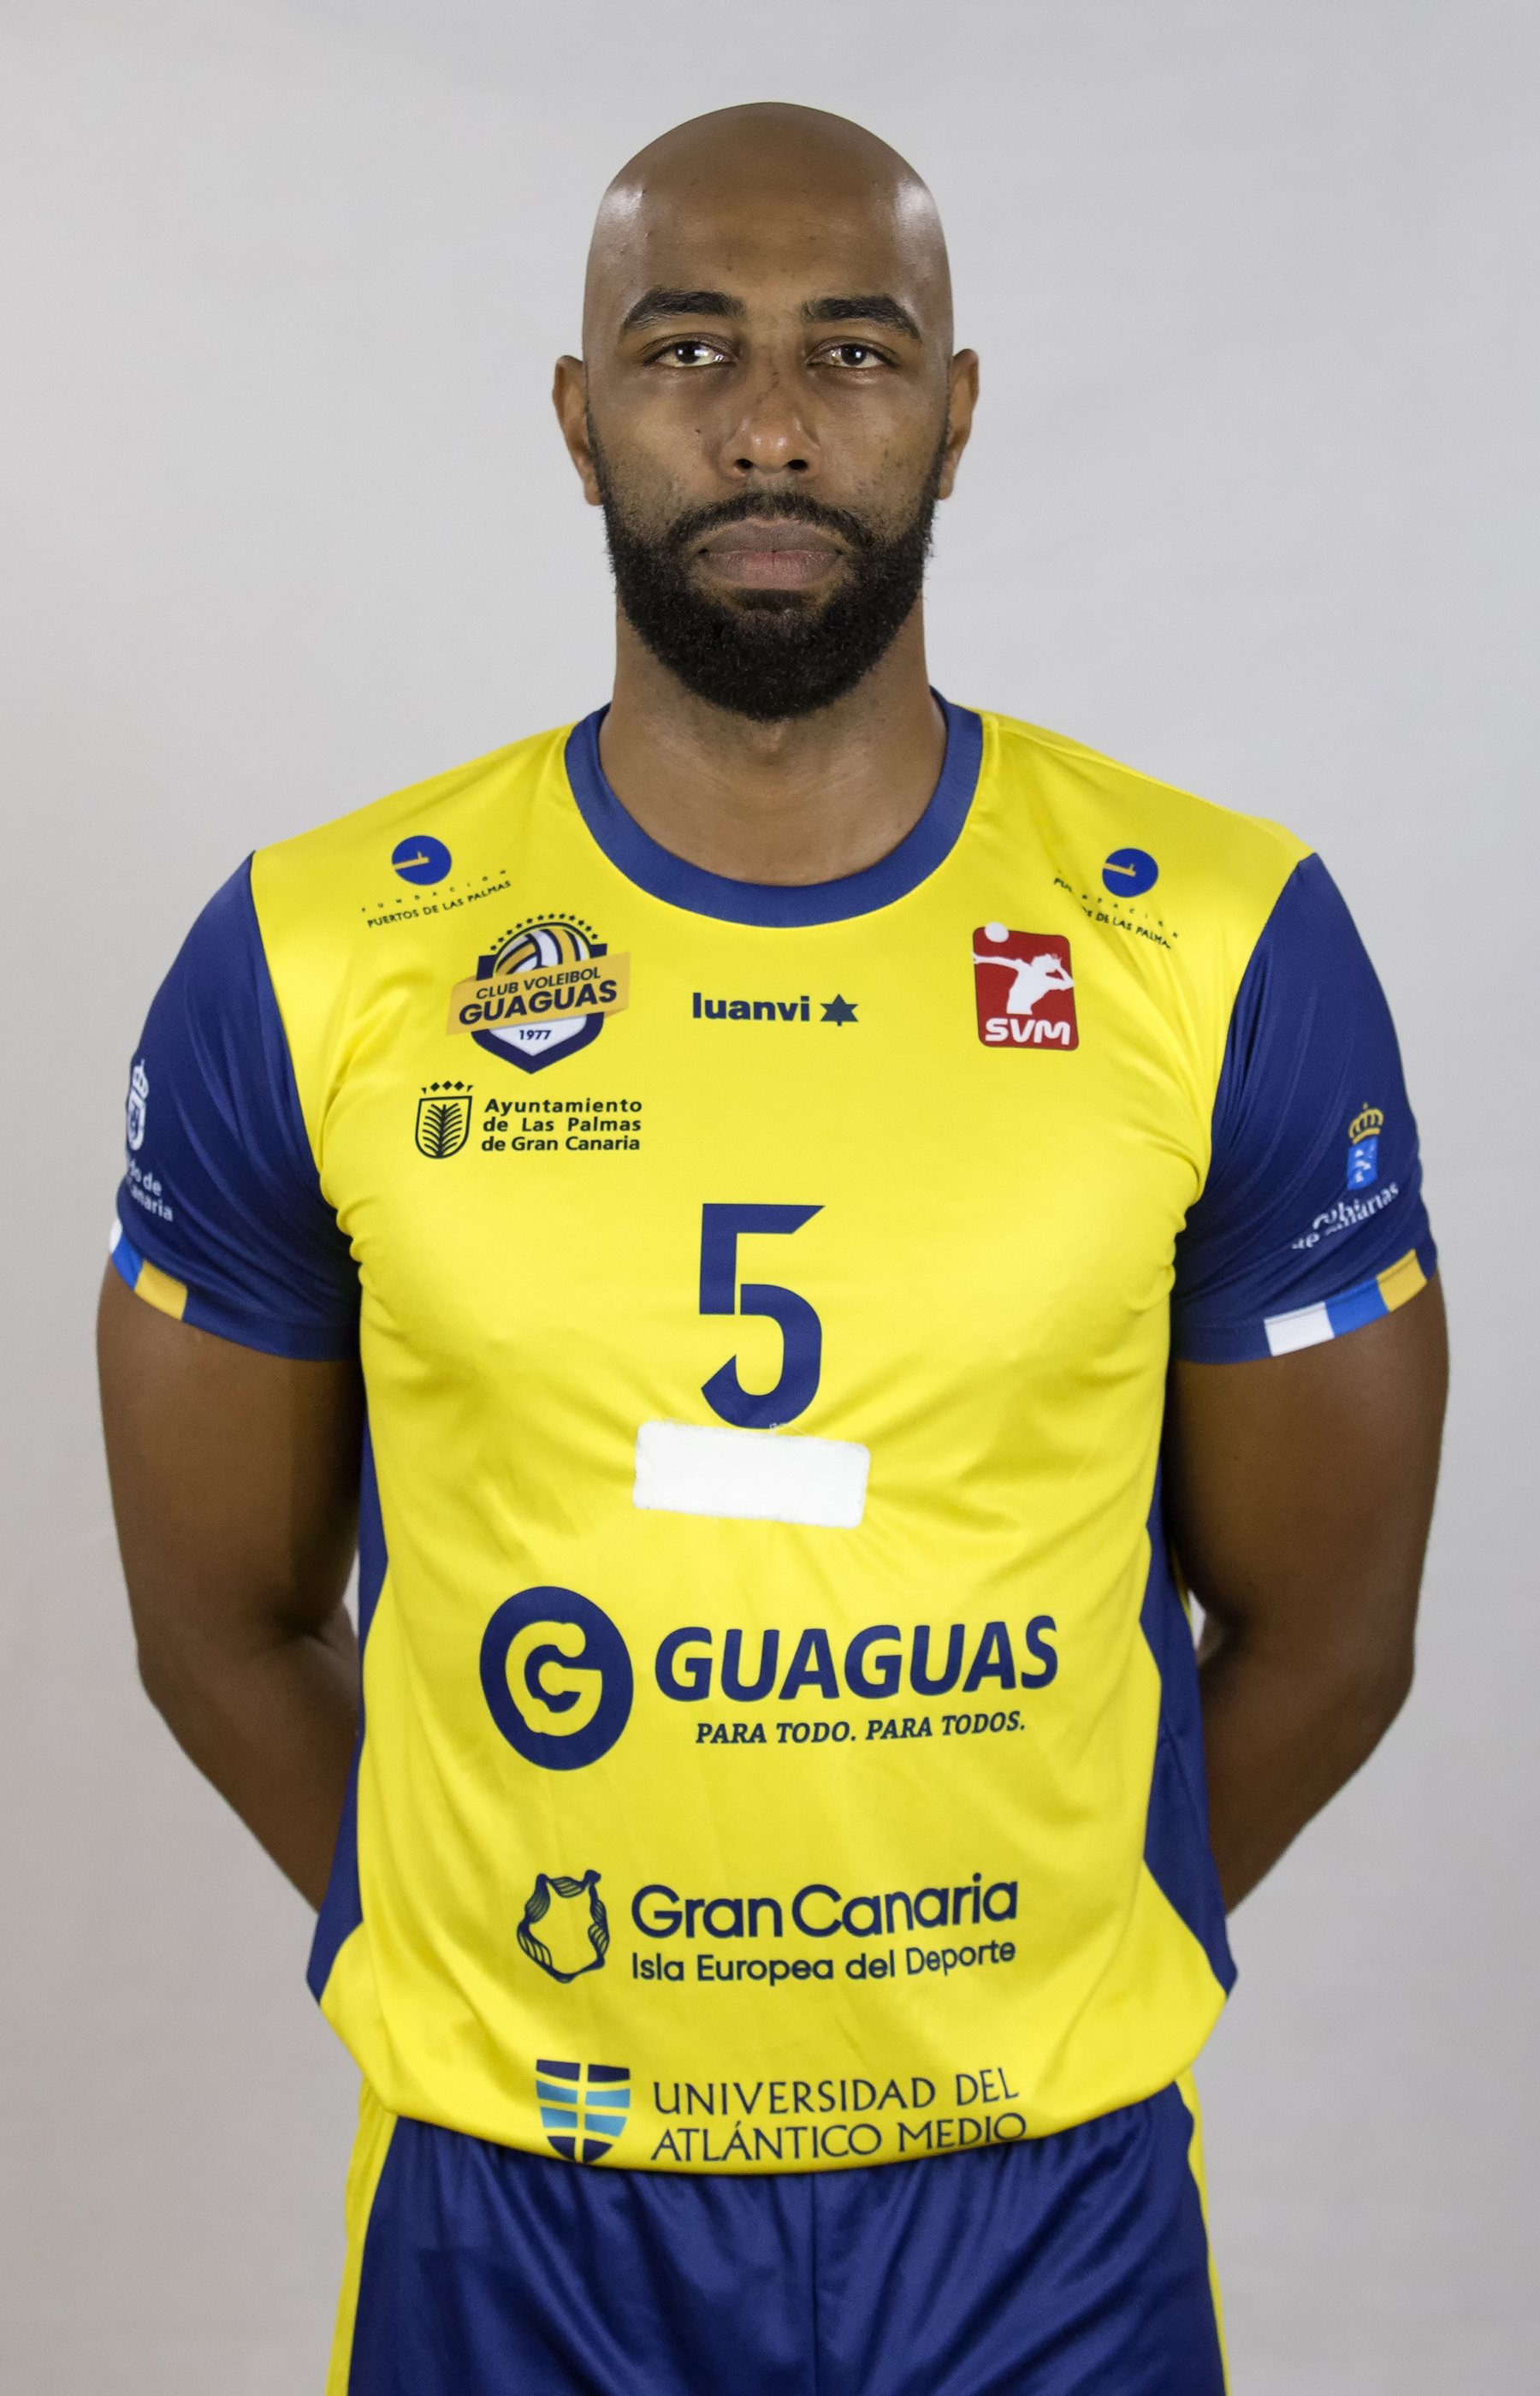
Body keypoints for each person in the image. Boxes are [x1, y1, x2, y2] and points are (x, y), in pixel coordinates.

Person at [98, 102, 1448, 2396]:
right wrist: (509, 1968)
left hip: (1041, 2212)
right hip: (520, 2202)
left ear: (957, 409)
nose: (769, 425)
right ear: (576, 415)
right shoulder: (321, 955)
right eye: (686, 347)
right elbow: (216, 1626)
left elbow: (1333, 1637)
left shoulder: (1216, 939)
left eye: (853, 349)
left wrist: (1021, 1974)